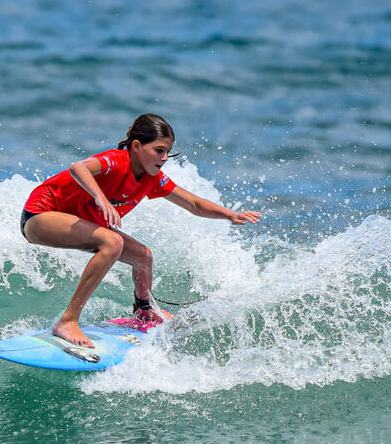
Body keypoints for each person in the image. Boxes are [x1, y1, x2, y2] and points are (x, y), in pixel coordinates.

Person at [20, 113, 262, 348]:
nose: (165, 157)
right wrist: (102, 199)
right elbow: (78, 168)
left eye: (168, 151)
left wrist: (230, 214)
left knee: (143, 256)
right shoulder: (116, 161)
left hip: (70, 221)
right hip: (39, 216)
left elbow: (194, 204)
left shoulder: (151, 179)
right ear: (136, 146)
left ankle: (144, 311)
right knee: (113, 242)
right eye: (159, 150)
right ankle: (68, 321)